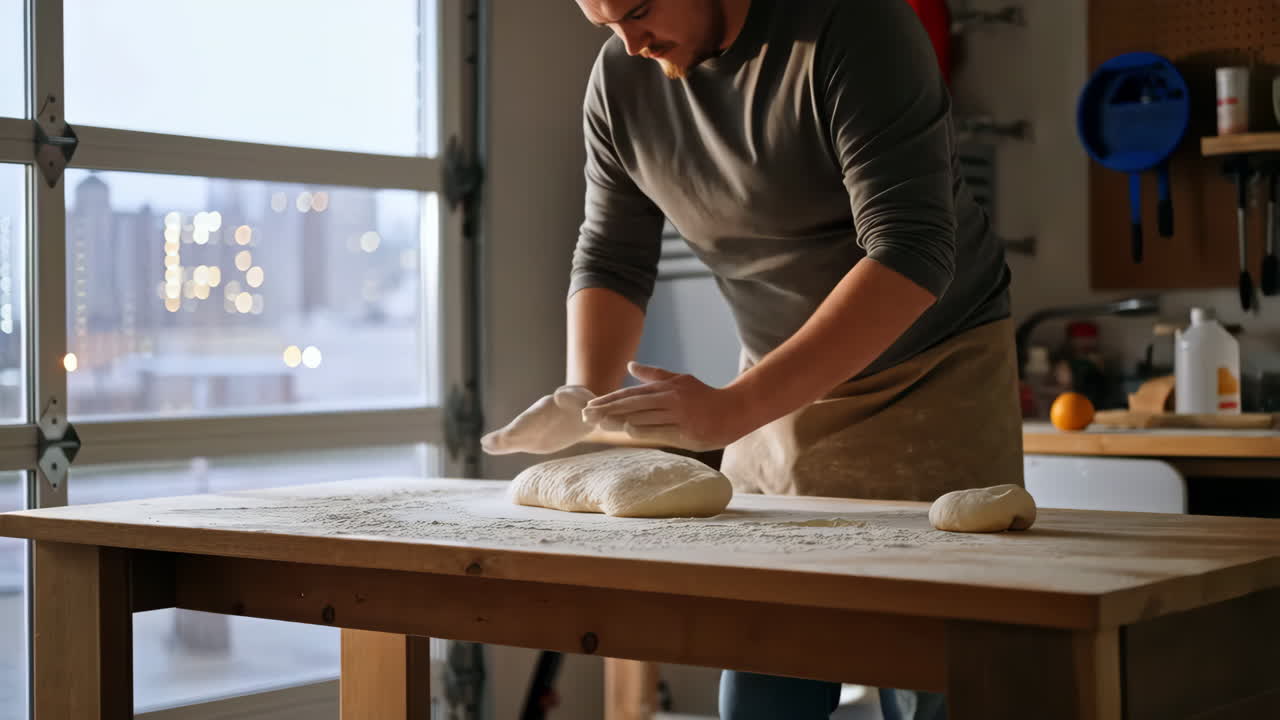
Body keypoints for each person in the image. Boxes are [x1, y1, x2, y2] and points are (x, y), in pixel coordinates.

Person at [481, 0, 1023, 717]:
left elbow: (911, 246)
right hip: (775, 386)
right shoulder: (620, 79)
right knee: (768, 663)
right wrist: (584, 389)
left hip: (932, 374)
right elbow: (613, 252)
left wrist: (733, 408)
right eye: (605, 24)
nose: (629, 43)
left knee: (932, 677)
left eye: (638, 11)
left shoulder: (854, 26)